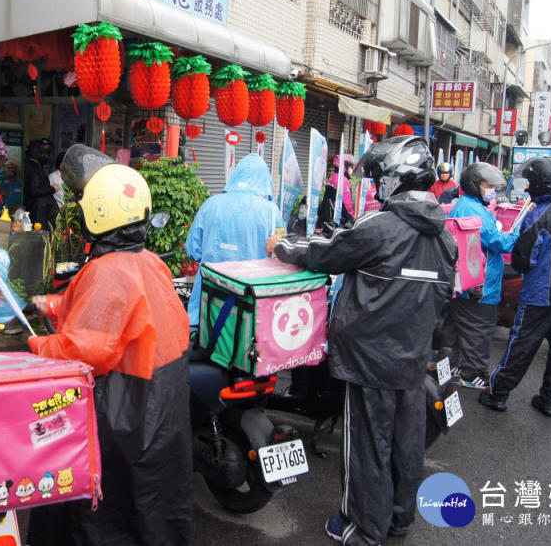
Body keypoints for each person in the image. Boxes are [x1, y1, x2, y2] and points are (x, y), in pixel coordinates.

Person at [266, 136, 457, 546]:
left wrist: (282, 245)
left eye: (380, 179)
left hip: (371, 358)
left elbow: (326, 252)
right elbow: (442, 300)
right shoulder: (446, 237)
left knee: (367, 447)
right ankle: (399, 520)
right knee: (406, 442)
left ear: (396, 180)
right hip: (412, 356)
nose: (376, 187)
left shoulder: (381, 226)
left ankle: (362, 530)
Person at [28, 144, 192, 546]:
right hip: (163, 408)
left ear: (95, 215)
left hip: (129, 413)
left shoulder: (107, 271)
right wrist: (49, 304)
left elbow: (84, 351)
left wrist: (37, 345)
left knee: (114, 515)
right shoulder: (148, 261)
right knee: (154, 512)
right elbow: (96, 309)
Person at [478, 157, 551, 417]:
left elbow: (523, 259)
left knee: (521, 345)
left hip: (539, 295)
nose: (528, 187)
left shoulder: (539, 214)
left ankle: (498, 394)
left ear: (541, 183)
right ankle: (550, 401)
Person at [438, 163, 519, 389]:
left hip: (472, 283)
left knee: (459, 329)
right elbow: (495, 240)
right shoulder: (470, 209)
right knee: (479, 330)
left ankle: (456, 367)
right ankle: (472, 373)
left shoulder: (472, 205)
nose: (491, 191)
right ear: (474, 186)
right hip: (477, 285)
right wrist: (518, 235)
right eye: (488, 186)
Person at [185, 153, 284, 329]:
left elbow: (193, 250)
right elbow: (281, 257)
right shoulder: (272, 212)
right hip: (249, 310)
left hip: (206, 307)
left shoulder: (210, 204)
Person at [24, 138, 59, 228]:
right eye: (45, 153)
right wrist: (52, 189)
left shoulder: (34, 167)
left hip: (41, 211)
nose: (46, 156)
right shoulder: (33, 169)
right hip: (39, 213)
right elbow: (34, 190)